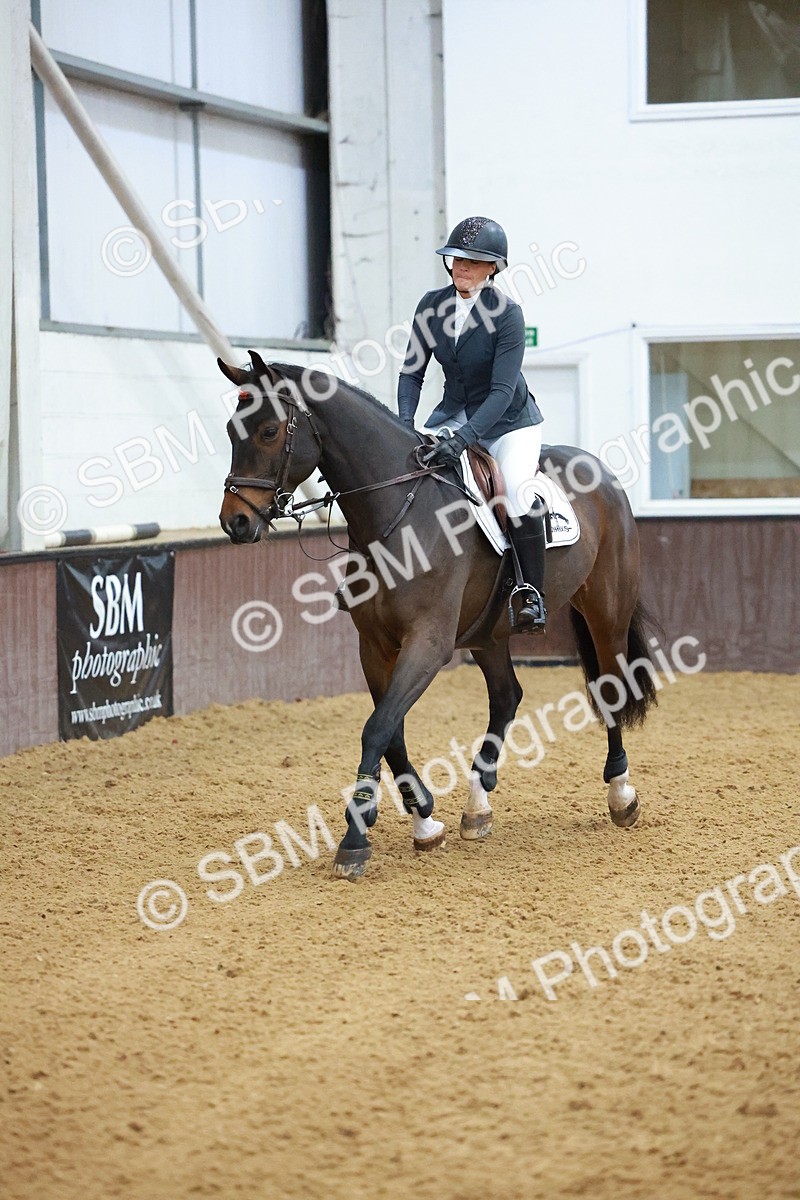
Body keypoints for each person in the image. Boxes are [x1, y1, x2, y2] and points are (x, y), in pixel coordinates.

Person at [397, 215, 547, 633]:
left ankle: (531, 593)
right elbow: (412, 372)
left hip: (510, 422)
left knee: (516, 491)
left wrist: (463, 439)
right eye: (455, 259)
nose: (460, 267)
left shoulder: (508, 315)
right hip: (454, 413)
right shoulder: (432, 305)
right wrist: (405, 425)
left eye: (472, 261)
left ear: (492, 267)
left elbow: (501, 392)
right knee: (410, 477)